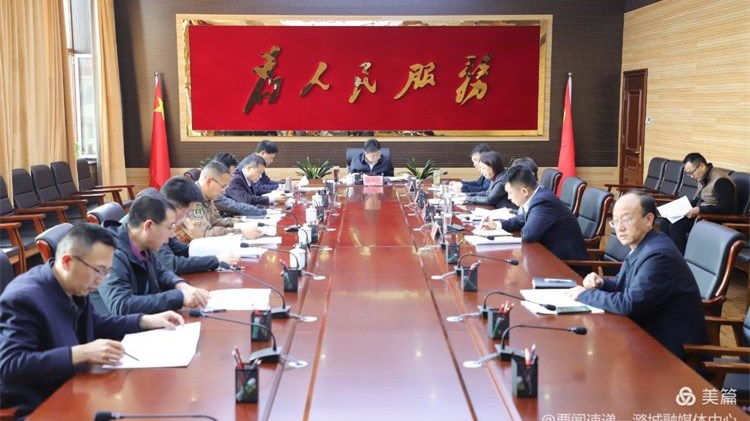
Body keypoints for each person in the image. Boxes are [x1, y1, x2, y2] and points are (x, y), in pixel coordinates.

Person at [0, 224, 183, 418]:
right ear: (67, 261)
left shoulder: (73, 282)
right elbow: (10, 365)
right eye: (98, 270)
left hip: (76, 385)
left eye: (106, 272)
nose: (101, 280)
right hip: (41, 403)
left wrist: (144, 321)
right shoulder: (24, 298)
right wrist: (80, 353)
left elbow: (95, 324)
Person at [567, 191, 708, 357]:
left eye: (626, 220)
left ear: (648, 219)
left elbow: (629, 305)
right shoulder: (644, 245)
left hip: (671, 351)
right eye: (615, 221)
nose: (619, 228)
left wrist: (584, 295)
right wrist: (602, 283)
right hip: (646, 335)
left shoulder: (658, 255)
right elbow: (625, 286)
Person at [93, 194, 210, 315]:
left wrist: (181, 285)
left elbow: (160, 271)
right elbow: (122, 306)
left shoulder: (140, 241)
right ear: (149, 226)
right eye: (170, 227)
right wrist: (178, 298)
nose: (173, 234)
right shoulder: (110, 253)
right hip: (113, 324)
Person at [481, 165, 588, 267]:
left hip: (565, 265)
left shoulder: (543, 202)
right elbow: (521, 220)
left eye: (510, 193)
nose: (508, 197)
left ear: (524, 191)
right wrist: (497, 225)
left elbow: (528, 234)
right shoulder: (538, 195)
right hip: (548, 256)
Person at [156, 176, 240, 274]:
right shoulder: (155, 222)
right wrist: (216, 260)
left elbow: (182, 250)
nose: (188, 217)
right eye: (188, 213)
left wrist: (220, 246)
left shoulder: (164, 220)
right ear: (174, 206)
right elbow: (171, 265)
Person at [659, 153, 736, 254]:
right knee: (666, 219)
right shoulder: (704, 177)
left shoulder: (721, 181)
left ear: (702, 166)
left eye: (691, 173)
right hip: (702, 215)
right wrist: (680, 206)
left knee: (677, 225)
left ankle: (679, 260)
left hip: (715, 219)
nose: (691, 177)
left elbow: (727, 208)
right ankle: (666, 254)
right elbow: (700, 199)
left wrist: (699, 210)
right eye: (688, 174)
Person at [180, 161, 266, 241]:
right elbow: (203, 235)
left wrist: (244, 223)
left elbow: (216, 221)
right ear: (209, 181)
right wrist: (240, 232)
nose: (224, 191)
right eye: (223, 186)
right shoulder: (192, 199)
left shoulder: (207, 196)